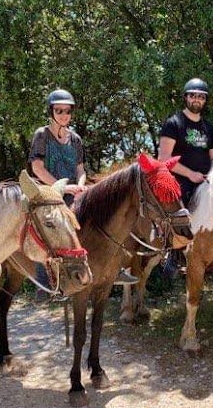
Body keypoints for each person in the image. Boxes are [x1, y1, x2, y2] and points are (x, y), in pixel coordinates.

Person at [28, 89, 137, 285]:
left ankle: (113, 268)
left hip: (73, 190)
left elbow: (80, 169)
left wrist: (79, 186)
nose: (64, 115)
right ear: (51, 111)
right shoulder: (42, 135)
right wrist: (62, 187)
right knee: (47, 225)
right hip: (50, 192)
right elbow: (37, 168)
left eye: (67, 111)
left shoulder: (75, 139)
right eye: (59, 110)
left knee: (108, 216)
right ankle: (44, 277)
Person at [157, 78, 213, 206]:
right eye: (192, 95)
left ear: (205, 100)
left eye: (201, 97)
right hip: (179, 185)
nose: (196, 99)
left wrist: (212, 175)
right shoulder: (173, 124)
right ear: (185, 97)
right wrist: (190, 174)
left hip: (206, 185)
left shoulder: (209, 127)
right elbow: (163, 159)